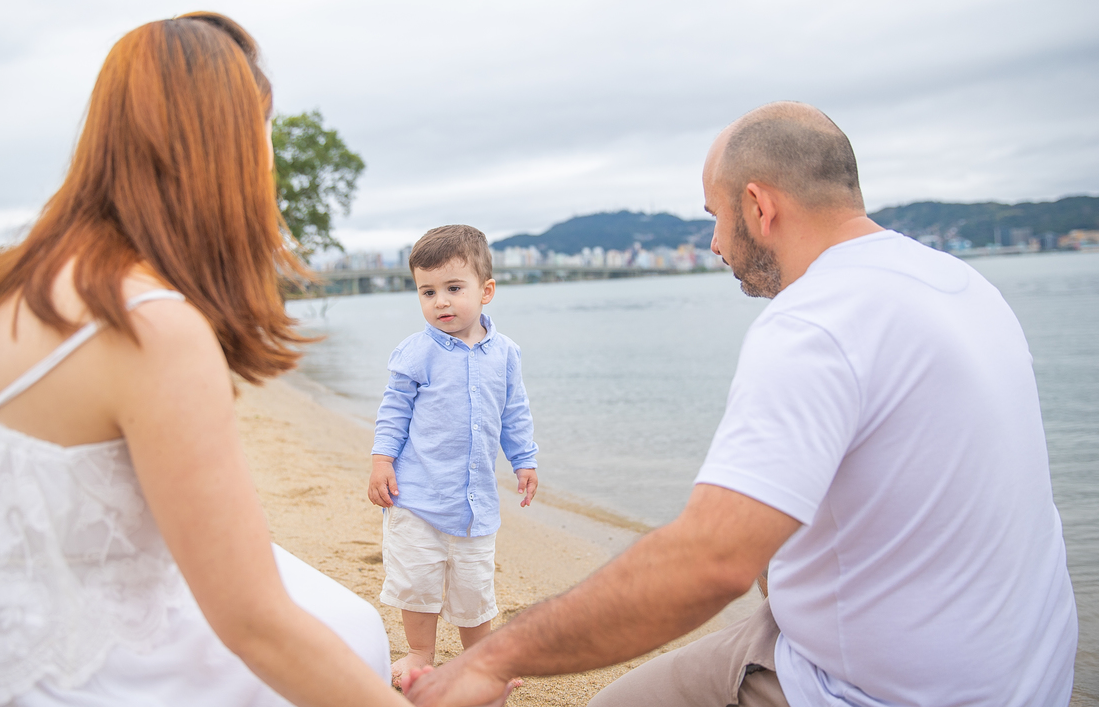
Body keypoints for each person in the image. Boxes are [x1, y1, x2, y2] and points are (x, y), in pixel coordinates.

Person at [403, 102, 1078, 707]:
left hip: (875, 691)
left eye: (715, 219)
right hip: (1031, 675)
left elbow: (709, 563)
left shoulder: (813, 324)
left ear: (758, 205)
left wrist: (493, 658)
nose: (717, 245)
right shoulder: (961, 284)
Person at [0, 13, 413, 707]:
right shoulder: (147, 324)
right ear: (224, 151)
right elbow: (255, 624)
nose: (268, 160)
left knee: (341, 616)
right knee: (352, 636)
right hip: (26, 676)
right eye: (261, 133)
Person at [367, 225, 540, 686]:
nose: (440, 301)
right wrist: (381, 461)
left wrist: (524, 460)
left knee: (473, 586)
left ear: (486, 292)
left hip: (474, 503)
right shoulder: (416, 352)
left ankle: (479, 662)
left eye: (453, 288)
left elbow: (515, 411)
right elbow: (394, 412)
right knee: (417, 581)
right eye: (428, 291)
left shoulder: (505, 354)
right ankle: (419, 653)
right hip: (417, 497)